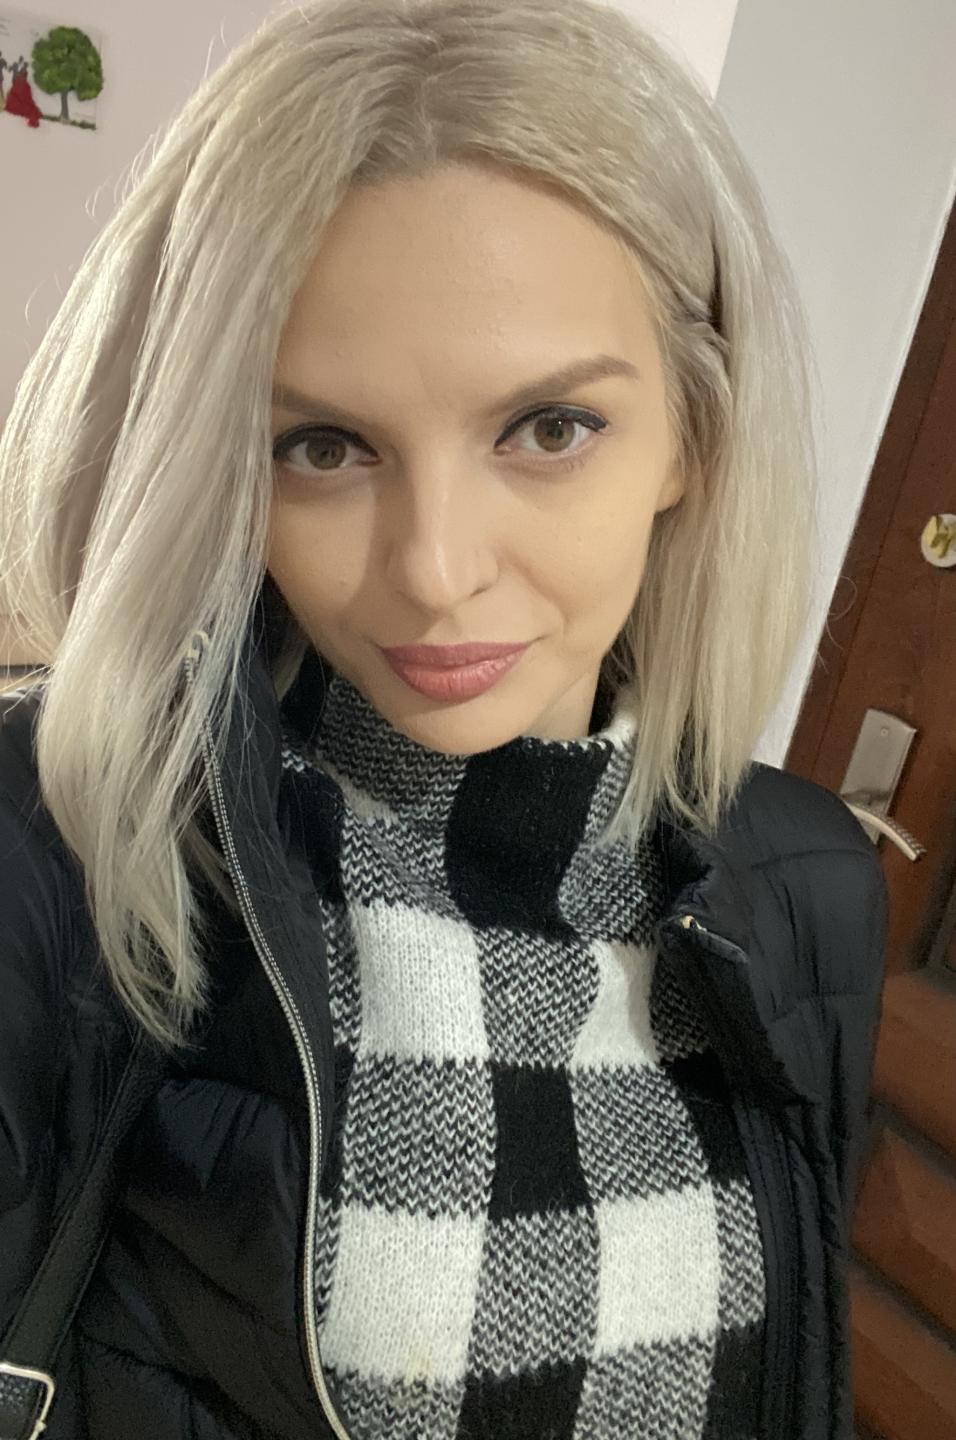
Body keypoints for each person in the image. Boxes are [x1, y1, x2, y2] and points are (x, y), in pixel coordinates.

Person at [0, 0, 888, 1437]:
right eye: (324, 446)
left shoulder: (810, 884)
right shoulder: (59, 851)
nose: (433, 570)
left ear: (695, 433)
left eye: (550, 429)